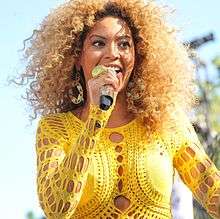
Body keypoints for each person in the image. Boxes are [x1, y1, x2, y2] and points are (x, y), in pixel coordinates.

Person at [21, 0, 220, 218]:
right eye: (98, 44)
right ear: (77, 57)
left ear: (138, 55)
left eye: (124, 44)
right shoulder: (55, 129)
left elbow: (212, 192)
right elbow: (56, 209)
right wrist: (96, 116)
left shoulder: (167, 123)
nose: (112, 54)